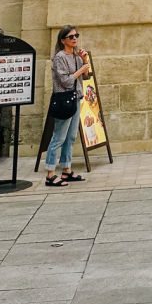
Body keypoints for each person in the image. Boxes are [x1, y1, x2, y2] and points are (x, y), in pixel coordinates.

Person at [45, 25, 91, 187]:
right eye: (71, 37)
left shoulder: (76, 56)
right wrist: (80, 71)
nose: (74, 39)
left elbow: (85, 77)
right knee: (58, 137)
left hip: (76, 98)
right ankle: (50, 173)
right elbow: (65, 81)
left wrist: (85, 62)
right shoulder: (59, 57)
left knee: (71, 137)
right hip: (63, 100)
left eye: (76, 36)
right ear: (63, 40)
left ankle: (66, 169)